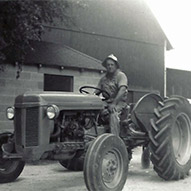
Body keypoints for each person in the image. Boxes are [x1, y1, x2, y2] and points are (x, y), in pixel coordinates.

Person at [95, 54, 128, 136]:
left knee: (113, 114)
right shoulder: (103, 78)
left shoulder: (121, 76)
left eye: (112, 65)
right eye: (108, 65)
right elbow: (97, 91)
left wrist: (114, 104)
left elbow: (122, 89)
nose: (109, 67)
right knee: (93, 111)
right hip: (106, 102)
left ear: (116, 65)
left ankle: (115, 138)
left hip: (118, 103)